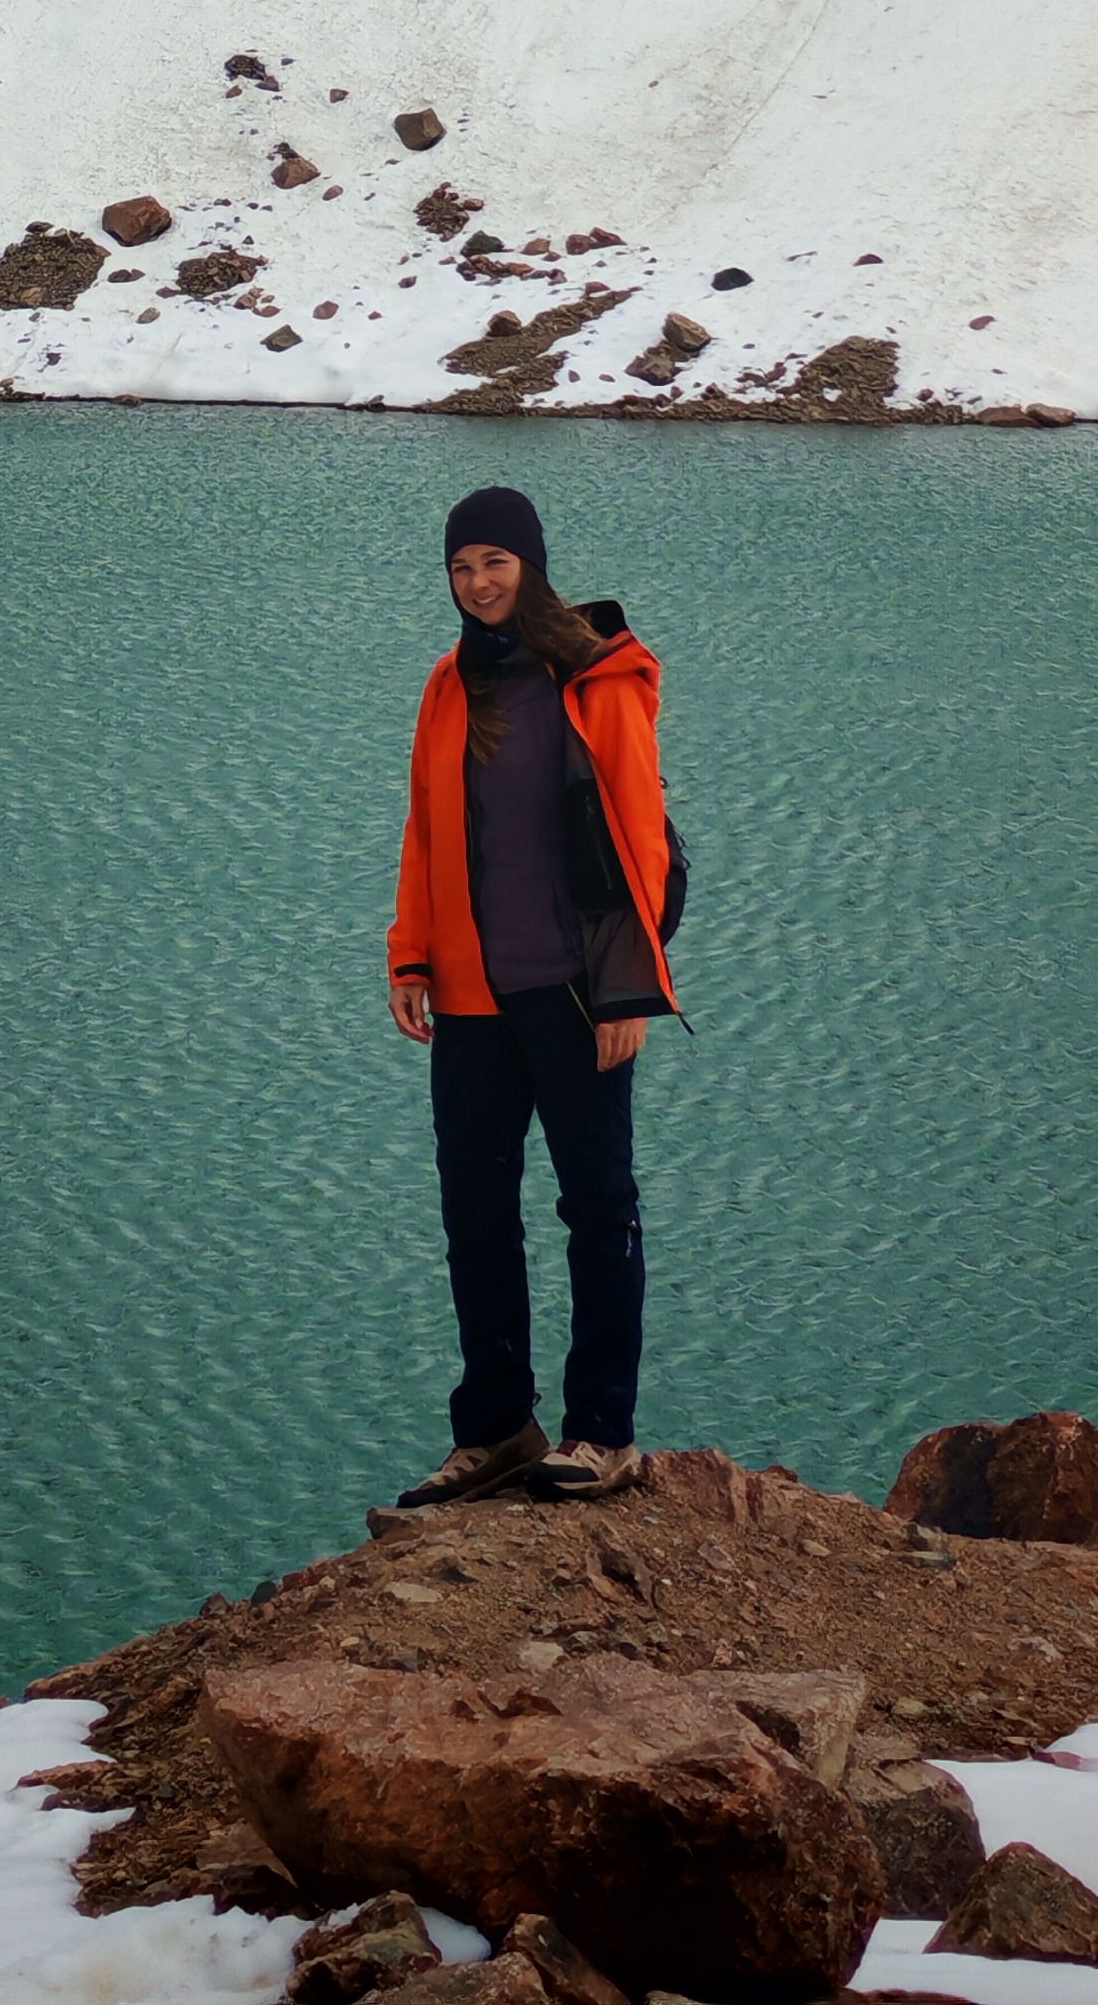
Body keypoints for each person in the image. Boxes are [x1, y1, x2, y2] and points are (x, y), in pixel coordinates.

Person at [387, 483, 684, 1506]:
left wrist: (629, 993)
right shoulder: (447, 683)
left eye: (495, 564)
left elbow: (639, 841)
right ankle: (500, 1427)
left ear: (533, 565)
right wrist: (411, 955)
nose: (477, 584)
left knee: (598, 1207)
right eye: (461, 567)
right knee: (475, 1215)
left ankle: (601, 1431)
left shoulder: (596, 678)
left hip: (574, 990)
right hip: (469, 996)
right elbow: (426, 829)